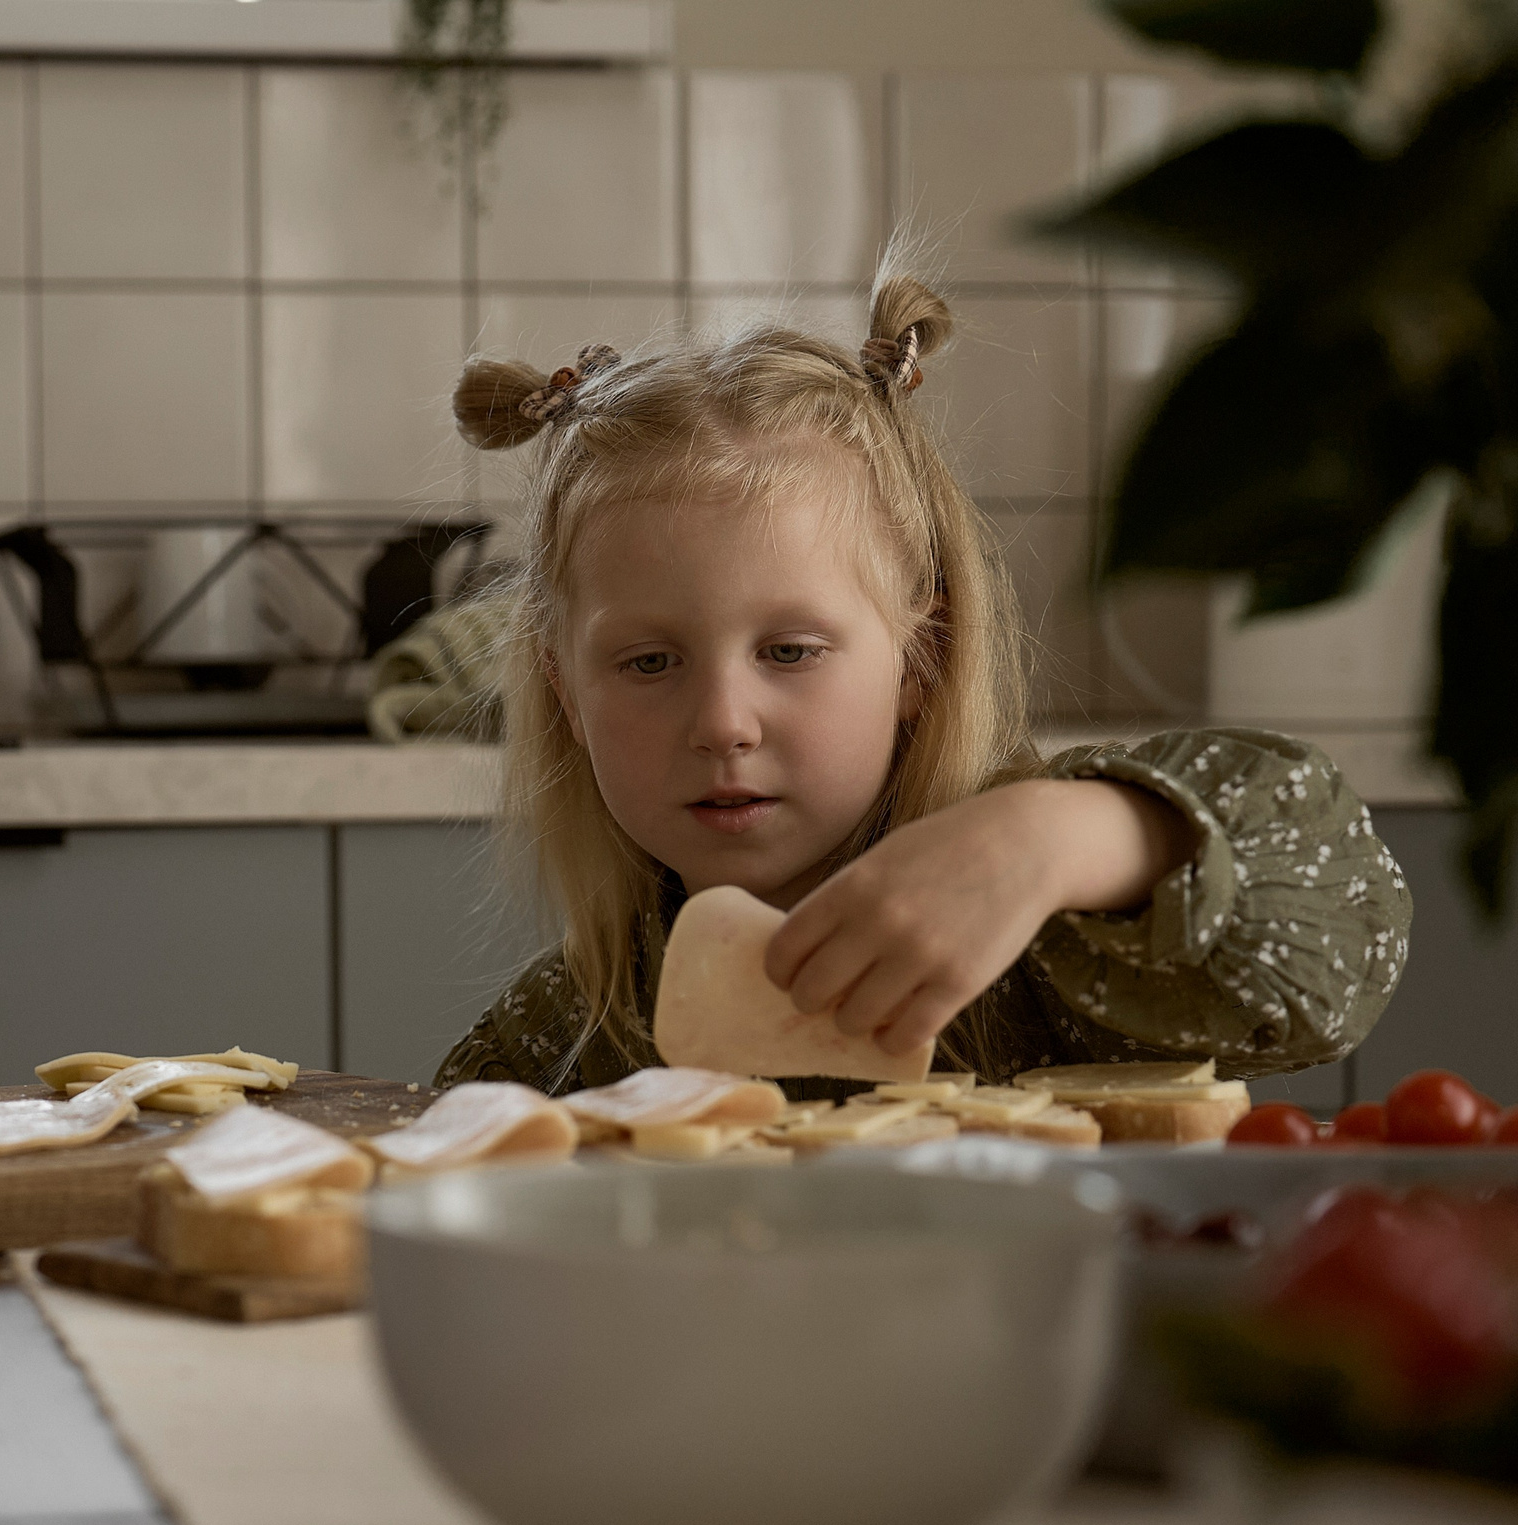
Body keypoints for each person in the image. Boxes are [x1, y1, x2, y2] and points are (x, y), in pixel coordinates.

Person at [432, 277, 1411, 1092]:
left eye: (789, 652)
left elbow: (1343, 927)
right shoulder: (572, 1025)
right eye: (649, 663)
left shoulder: (1062, 940)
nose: (724, 724)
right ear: (564, 691)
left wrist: (1059, 839)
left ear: (922, 654)